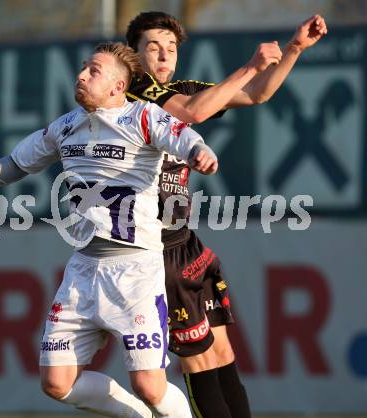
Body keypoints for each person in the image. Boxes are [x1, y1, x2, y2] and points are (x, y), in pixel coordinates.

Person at [0, 42, 219, 418]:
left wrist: (201, 152)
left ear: (118, 88)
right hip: (84, 271)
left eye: (94, 71)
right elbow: (16, 162)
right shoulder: (66, 126)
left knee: (150, 385)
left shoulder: (144, 117)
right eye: (84, 67)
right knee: (56, 383)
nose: (82, 75)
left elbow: (184, 136)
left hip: (135, 271)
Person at [125, 11, 327, 418]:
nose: (164, 55)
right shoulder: (132, 89)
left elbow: (256, 94)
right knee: (196, 360)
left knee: (221, 352)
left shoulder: (178, 89)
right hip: (154, 248)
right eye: (153, 46)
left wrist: (293, 49)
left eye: (171, 48)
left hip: (184, 240)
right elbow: (190, 114)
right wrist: (248, 66)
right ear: (133, 54)